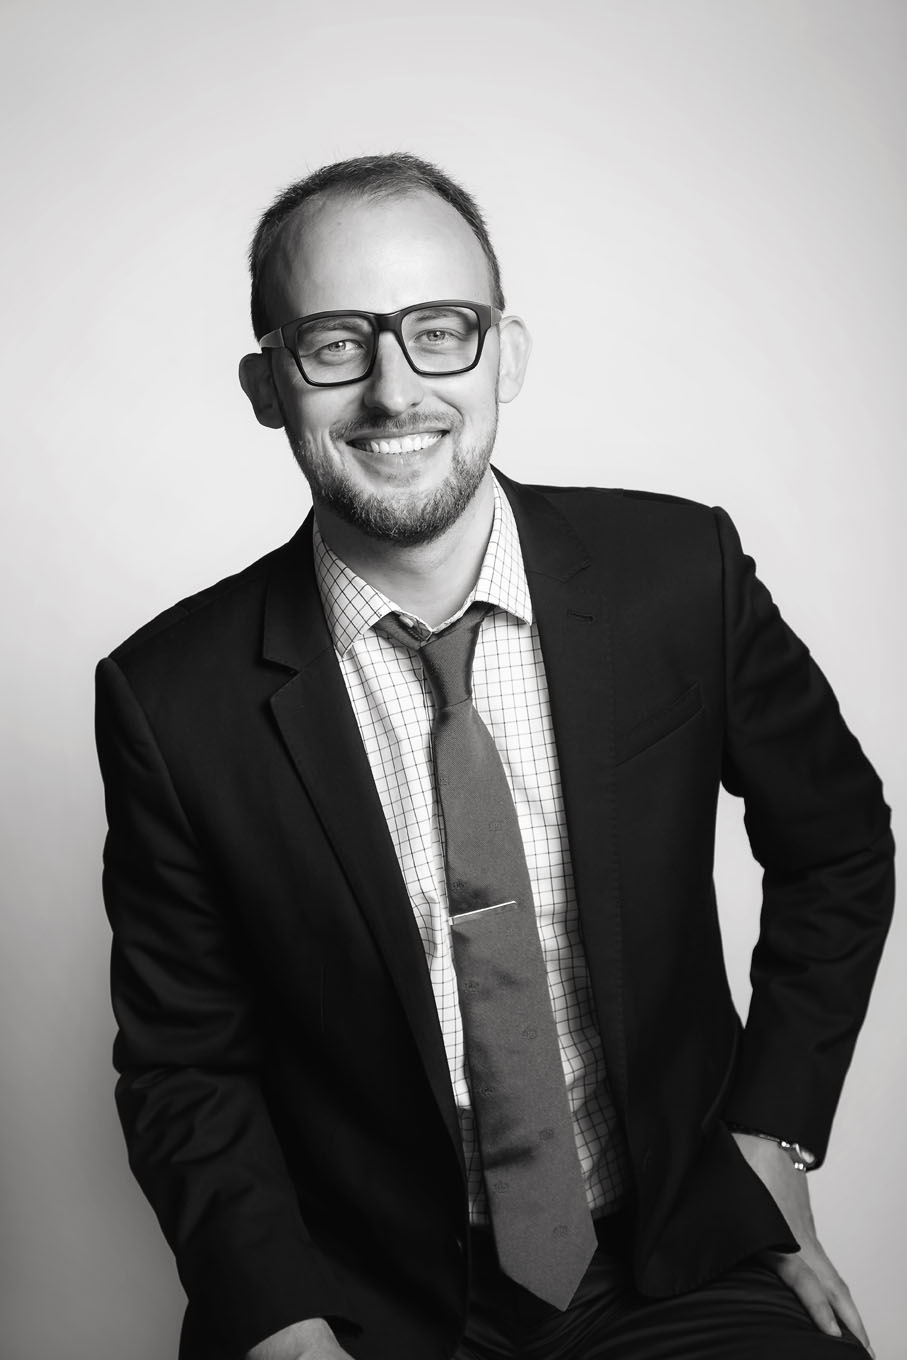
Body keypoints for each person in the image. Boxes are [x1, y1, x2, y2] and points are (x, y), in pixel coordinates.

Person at [95, 153, 894, 1360]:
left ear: (504, 353)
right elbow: (182, 1059)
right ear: (267, 385)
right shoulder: (170, 698)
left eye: (439, 331)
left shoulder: (679, 575)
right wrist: (279, 1322)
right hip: (367, 1296)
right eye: (334, 344)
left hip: (671, 1253)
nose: (393, 389)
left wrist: (772, 1132)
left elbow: (835, 840)